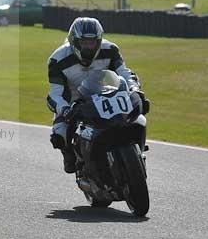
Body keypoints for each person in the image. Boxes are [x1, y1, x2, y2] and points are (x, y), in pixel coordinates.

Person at [46, 17, 141, 173]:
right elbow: (55, 93)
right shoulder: (57, 59)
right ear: (74, 41)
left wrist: (134, 89)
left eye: (93, 42)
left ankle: (137, 150)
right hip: (73, 101)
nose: (89, 47)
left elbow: (124, 72)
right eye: (84, 42)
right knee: (60, 136)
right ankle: (71, 156)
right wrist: (64, 109)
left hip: (104, 92)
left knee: (136, 114)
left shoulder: (110, 49)